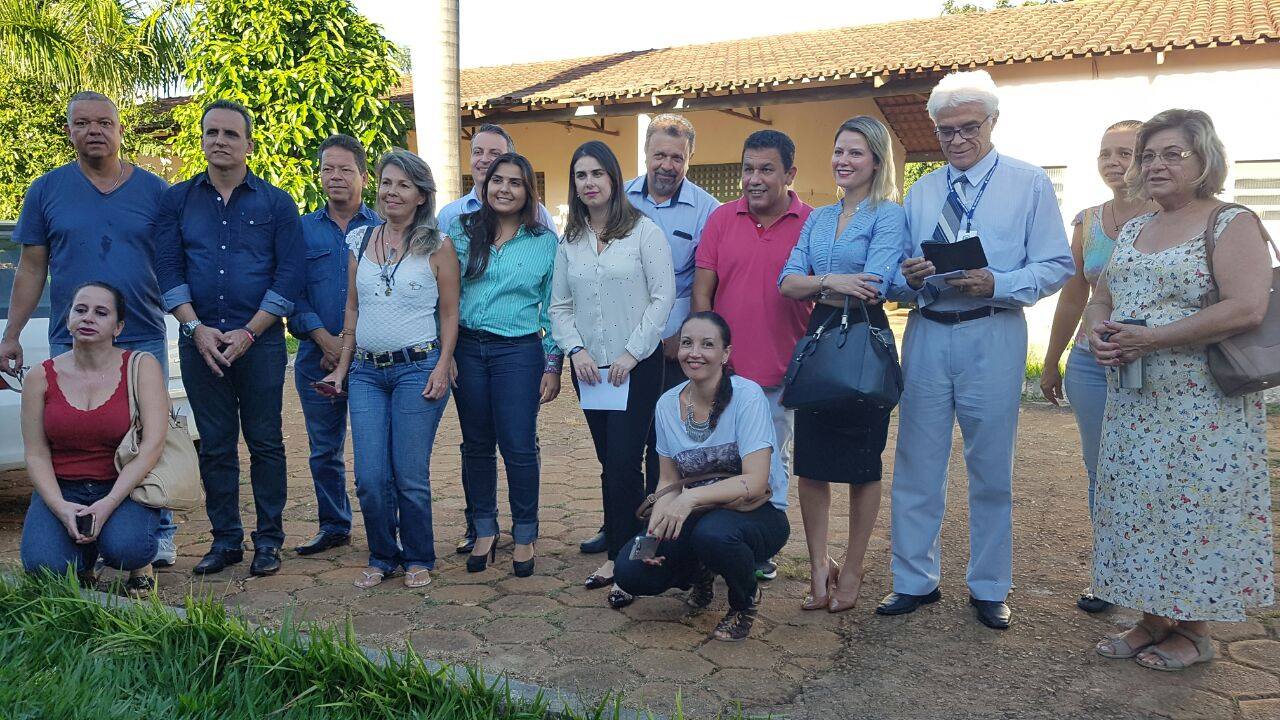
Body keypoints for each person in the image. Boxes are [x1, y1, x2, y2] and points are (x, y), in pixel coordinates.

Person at [880, 70, 1072, 629]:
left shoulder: (1028, 182)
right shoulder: (921, 191)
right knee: (918, 460)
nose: (957, 139)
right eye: (945, 131)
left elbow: (1058, 263)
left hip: (993, 328)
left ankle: (989, 586)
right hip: (929, 330)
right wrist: (910, 277)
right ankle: (914, 580)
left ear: (992, 122)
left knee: (990, 465)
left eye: (969, 127)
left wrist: (1000, 282)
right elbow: (894, 277)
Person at [1085, 109, 1274, 671]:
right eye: (1148, 155)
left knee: (1195, 510)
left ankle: (1194, 632)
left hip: (1205, 405)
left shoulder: (1230, 221)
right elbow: (1102, 293)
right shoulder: (1138, 226)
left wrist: (1154, 338)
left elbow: (1247, 306)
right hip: (1136, 400)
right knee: (1140, 508)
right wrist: (1099, 330)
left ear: (1204, 161)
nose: (1155, 165)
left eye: (1173, 154)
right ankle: (1152, 619)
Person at [3, 91, 178, 576]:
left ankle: (153, 536)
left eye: (104, 122)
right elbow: (31, 267)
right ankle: (74, 525)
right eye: (82, 123)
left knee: (144, 436)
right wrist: (12, 334)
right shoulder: (46, 191)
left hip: (141, 333)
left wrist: (194, 322)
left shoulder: (156, 193)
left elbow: (173, 263)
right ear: (69, 131)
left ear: (121, 130)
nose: (94, 130)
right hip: (70, 337)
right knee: (74, 436)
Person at [153, 99, 304, 577]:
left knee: (265, 443)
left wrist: (250, 331)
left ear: (248, 145)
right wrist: (194, 328)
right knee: (215, 445)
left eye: (230, 134)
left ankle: (269, 541)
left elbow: (290, 273)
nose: (219, 141)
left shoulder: (276, 203)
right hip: (200, 344)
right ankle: (225, 541)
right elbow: (168, 267)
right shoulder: (175, 200)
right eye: (211, 133)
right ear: (202, 140)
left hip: (259, 343)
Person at [778, 116, 908, 613]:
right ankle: (818, 567)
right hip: (819, 337)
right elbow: (787, 281)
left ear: (876, 160)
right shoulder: (816, 217)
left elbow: (872, 283)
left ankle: (852, 569)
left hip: (865, 340)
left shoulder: (888, 215)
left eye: (855, 153)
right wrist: (833, 279)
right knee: (811, 465)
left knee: (861, 464)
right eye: (838, 152)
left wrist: (819, 281)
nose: (844, 161)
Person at [577, 114, 719, 557]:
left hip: (677, 350)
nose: (667, 164)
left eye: (677, 157)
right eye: (660, 154)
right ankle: (617, 523)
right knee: (617, 449)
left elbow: (704, 281)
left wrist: (687, 340)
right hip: (620, 349)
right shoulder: (621, 201)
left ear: (689, 160)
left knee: (666, 447)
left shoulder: (706, 210)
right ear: (646, 154)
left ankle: (659, 532)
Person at [320, 149, 458, 589]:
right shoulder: (359, 240)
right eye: (385, 183)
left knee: (409, 475)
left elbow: (451, 314)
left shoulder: (438, 246)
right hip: (365, 373)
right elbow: (352, 309)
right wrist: (341, 370)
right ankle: (383, 555)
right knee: (370, 478)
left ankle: (419, 556)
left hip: (417, 370)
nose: (391, 192)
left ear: (421, 196)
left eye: (403, 185)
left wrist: (442, 364)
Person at [550, 141, 675, 607]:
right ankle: (632, 548)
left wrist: (630, 353)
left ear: (614, 179)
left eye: (597, 173)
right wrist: (576, 349)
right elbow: (560, 305)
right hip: (591, 372)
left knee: (626, 462)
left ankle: (626, 560)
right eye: (581, 175)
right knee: (611, 465)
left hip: (635, 369)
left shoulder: (645, 233)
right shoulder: (571, 242)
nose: (589, 183)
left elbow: (662, 299)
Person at [613, 312, 790, 642]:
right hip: (694, 514)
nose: (695, 352)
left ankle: (743, 601)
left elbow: (755, 481)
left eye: (707, 344)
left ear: (725, 354)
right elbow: (667, 479)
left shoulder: (747, 396)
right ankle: (700, 572)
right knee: (631, 570)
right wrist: (656, 529)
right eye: (687, 343)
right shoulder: (668, 403)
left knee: (714, 535)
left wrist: (689, 498)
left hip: (756, 515)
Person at [1037, 120, 1152, 614]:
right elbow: (1073, 295)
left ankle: (1156, 578)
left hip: (1155, 362)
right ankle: (1109, 575)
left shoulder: (1175, 216)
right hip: (1090, 363)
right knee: (1099, 469)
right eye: (1106, 152)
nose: (1114, 161)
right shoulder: (1087, 220)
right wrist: (1053, 359)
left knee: (1152, 468)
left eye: (1125, 151)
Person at [692, 130, 812, 582]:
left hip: (784, 371)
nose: (754, 179)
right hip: (728, 373)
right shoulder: (722, 219)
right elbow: (703, 291)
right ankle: (717, 543)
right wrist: (705, 358)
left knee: (771, 462)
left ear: (789, 174)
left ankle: (761, 546)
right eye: (747, 169)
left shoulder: (812, 223)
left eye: (766, 169)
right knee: (721, 458)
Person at [437, 123, 556, 557]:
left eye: (516, 183)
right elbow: (446, 301)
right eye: (497, 180)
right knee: (477, 444)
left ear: (528, 192)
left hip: (518, 351)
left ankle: (525, 531)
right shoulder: (463, 231)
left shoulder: (545, 242)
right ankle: (484, 529)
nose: (504, 189)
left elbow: (552, 309)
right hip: (468, 349)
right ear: (484, 184)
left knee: (519, 443)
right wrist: (445, 356)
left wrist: (552, 364)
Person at [19, 282, 168, 597]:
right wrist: (59, 506)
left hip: (124, 486)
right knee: (43, 567)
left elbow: (152, 445)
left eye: (101, 313)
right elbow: (36, 454)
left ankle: (139, 565)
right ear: (67, 318)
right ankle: (85, 558)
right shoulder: (39, 377)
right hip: (64, 487)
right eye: (80, 309)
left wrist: (108, 502)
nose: (88, 318)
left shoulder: (141, 366)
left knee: (127, 549)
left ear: (118, 327)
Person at [287, 134, 381, 557]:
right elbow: (290, 290)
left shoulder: (383, 230)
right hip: (314, 355)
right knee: (323, 449)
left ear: (364, 176)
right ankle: (334, 525)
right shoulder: (301, 230)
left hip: (370, 361)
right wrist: (323, 338)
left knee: (373, 453)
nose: (336, 177)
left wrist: (348, 344)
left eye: (346, 169)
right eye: (328, 169)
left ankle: (384, 526)